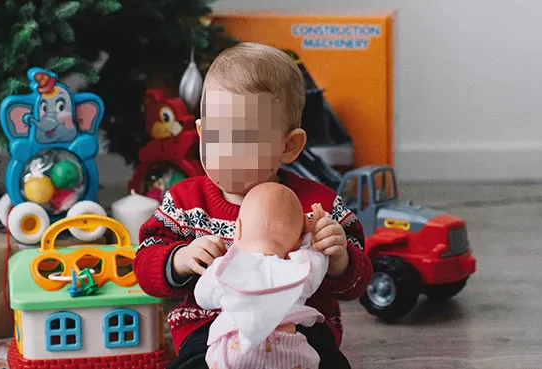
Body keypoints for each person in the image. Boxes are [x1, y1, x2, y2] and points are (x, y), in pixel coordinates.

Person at [133, 42, 373, 369]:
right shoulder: (184, 202)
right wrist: (180, 259)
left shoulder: (320, 205)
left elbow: (356, 284)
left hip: (299, 326)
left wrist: (340, 258)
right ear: (201, 133)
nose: (225, 152)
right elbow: (145, 263)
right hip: (208, 329)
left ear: (288, 146)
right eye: (216, 136)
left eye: (244, 139)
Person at [195, 183, 328, 368]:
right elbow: (318, 260)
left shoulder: (226, 267)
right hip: (288, 351)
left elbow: (202, 297)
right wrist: (311, 237)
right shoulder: (298, 268)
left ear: (238, 229)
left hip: (236, 350)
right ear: (297, 242)